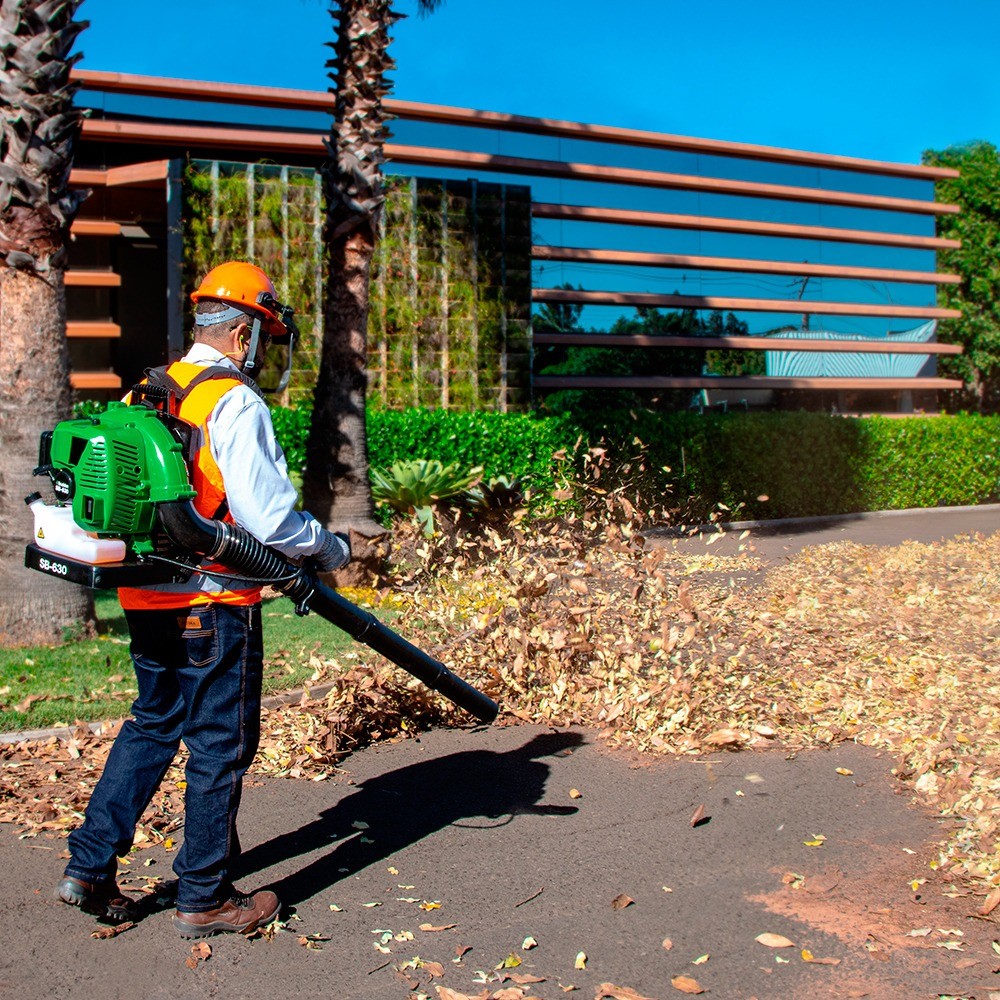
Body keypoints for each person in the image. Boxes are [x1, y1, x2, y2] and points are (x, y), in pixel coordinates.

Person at [55, 262, 350, 938]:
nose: (263, 352)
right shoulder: (234, 403)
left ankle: (89, 866)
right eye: (264, 338)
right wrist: (327, 548)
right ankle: (205, 897)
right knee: (218, 745)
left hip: (145, 595)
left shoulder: (146, 392)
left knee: (152, 724)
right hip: (213, 601)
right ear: (245, 335)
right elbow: (269, 521)